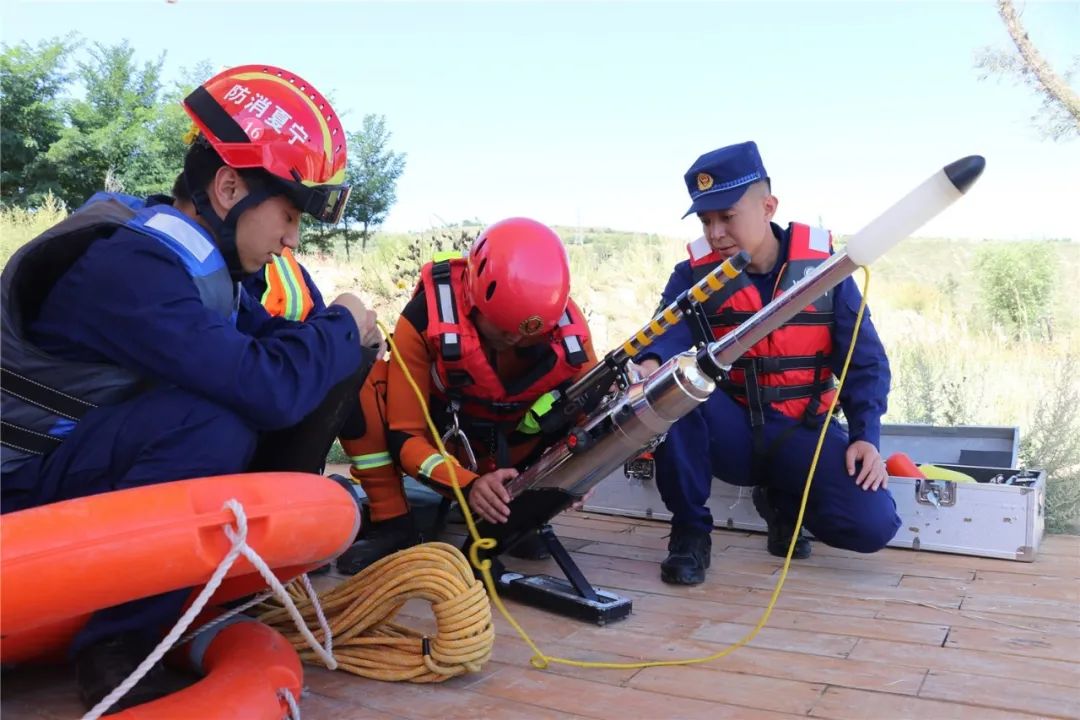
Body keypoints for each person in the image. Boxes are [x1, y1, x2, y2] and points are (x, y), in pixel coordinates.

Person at [0, 64, 382, 710]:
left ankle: (182, 602)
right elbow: (265, 386)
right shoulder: (128, 268)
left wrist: (343, 340)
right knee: (215, 422)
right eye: (288, 216)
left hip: (62, 467)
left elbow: (274, 358)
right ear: (229, 187)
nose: (292, 240)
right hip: (17, 488)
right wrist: (340, 321)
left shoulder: (205, 273)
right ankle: (118, 647)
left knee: (302, 376)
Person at [636, 141, 901, 585]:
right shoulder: (693, 276)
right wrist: (648, 363)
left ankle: (783, 501)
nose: (715, 232)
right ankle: (690, 532)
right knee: (671, 389)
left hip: (801, 432)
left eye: (726, 216)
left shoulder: (826, 274)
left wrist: (865, 436)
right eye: (705, 219)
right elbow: (665, 332)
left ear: (768, 207)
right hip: (730, 432)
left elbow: (866, 362)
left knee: (873, 526)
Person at [336, 218, 598, 574]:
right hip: (447, 449)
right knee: (364, 378)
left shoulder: (568, 335)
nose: (514, 341)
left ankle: (523, 517)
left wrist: (581, 473)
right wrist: (468, 484)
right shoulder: (425, 316)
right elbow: (405, 436)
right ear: (474, 298)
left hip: (515, 453)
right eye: (504, 330)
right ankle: (392, 522)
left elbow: (594, 419)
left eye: (526, 336)